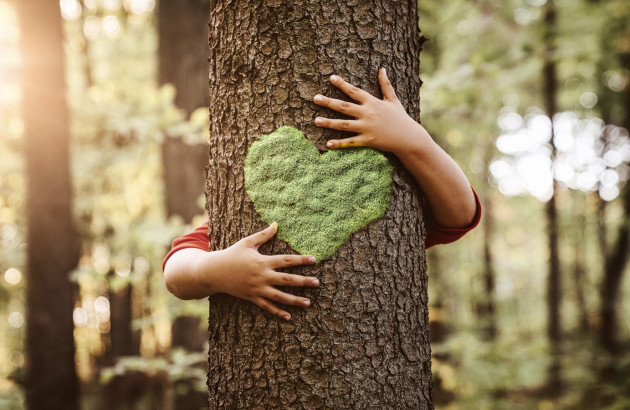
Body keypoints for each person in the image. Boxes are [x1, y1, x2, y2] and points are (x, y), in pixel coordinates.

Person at [163, 68, 481, 321]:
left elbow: (460, 214)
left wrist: (413, 140)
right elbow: (177, 272)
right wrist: (217, 271)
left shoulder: (396, 199)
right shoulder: (245, 214)